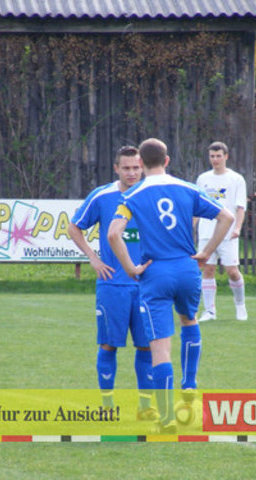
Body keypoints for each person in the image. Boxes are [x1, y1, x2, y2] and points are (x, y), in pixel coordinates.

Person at [108, 138, 234, 433]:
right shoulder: (188, 188)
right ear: (167, 160)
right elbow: (226, 217)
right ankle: (189, 384)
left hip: (156, 273)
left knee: (160, 349)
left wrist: (130, 268)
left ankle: (166, 419)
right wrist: (206, 252)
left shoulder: (132, 194)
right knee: (189, 320)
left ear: (141, 164)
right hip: (188, 268)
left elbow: (114, 234)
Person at [68, 145, 157, 420]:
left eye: (136, 167)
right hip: (112, 284)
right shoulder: (103, 196)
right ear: (116, 168)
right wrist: (93, 258)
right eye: (126, 168)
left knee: (147, 346)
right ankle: (107, 406)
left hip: (146, 285)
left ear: (143, 167)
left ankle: (146, 407)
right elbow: (75, 227)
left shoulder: (151, 195)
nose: (132, 173)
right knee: (109, 345)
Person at [195, 141, 248, 322]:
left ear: (226, 156)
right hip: (206, 231)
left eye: (218, 156)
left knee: (232, 271)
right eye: (212, 156)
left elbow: (240, 207)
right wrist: (192, 227)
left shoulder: (236, 179)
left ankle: (240, 306)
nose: (215, 159)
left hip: (227, 232)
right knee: (207, 269)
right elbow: (197, 206)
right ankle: (210, 311)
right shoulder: (203, 179)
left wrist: (238, 228)